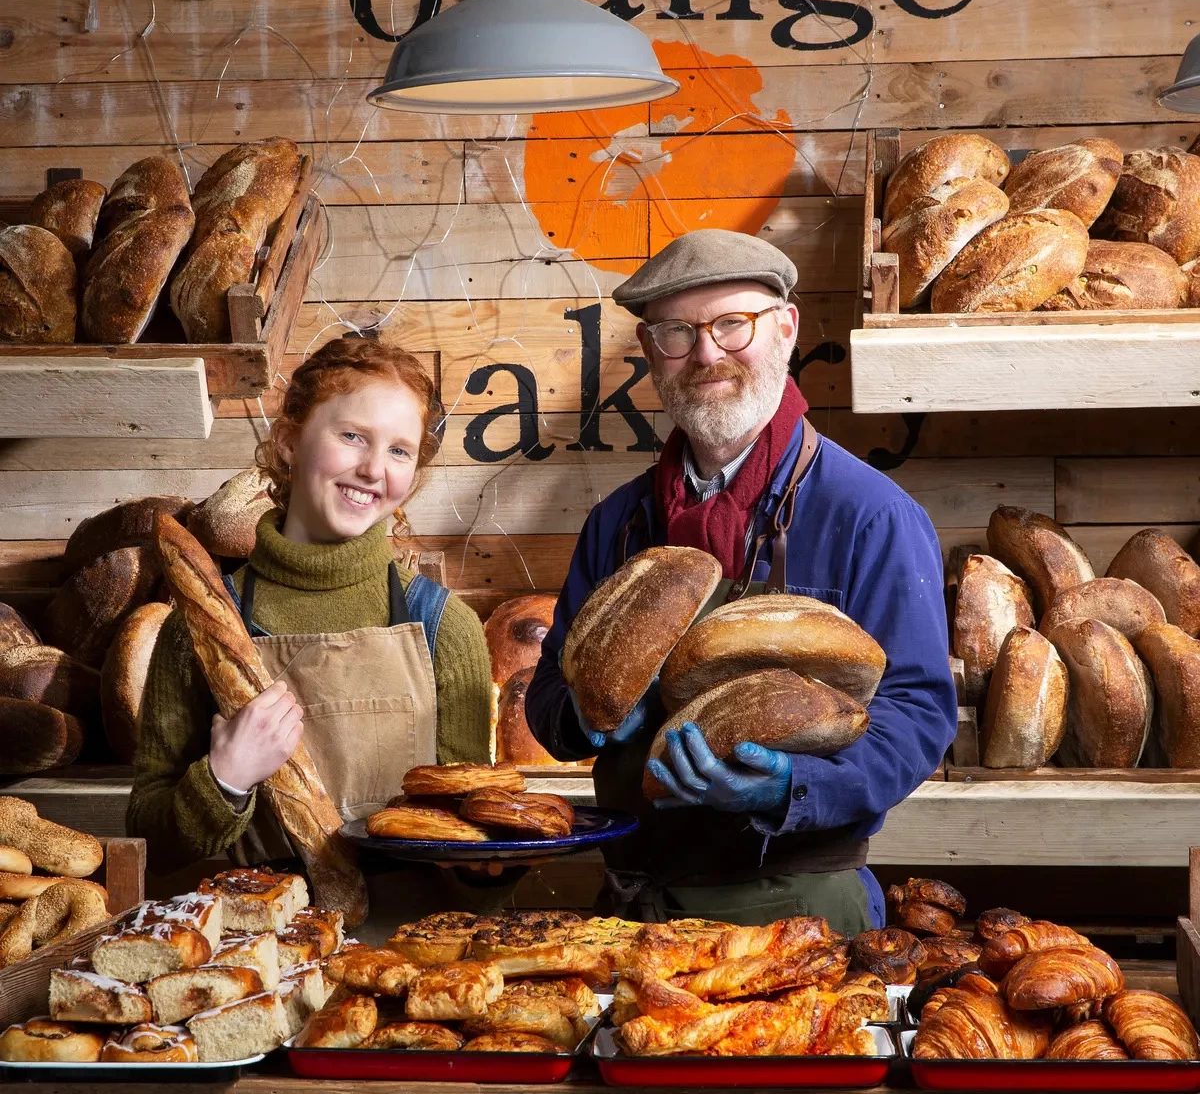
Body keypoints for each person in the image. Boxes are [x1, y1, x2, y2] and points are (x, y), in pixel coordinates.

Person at [525, 229, 957, 935]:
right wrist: (591, 716)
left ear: (785, 331)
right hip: (637, 918)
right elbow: (547, 696)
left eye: (733, 324)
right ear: (649, 352)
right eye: (676, 332)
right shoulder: (618, 524)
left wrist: (797, 785)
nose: (706, 354)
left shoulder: (871, 515)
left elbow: (916, 716)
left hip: (801, 914)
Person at [128, 335, 495, 928]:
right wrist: (225, 778)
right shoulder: (197, 629)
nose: (374, 468)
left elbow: (472, 852)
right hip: (253, 965)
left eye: (401, 451)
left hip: (410, 968)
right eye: (352, 436)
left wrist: (492, 864)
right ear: (289, 440)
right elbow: (153, 844)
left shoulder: (443, 628)